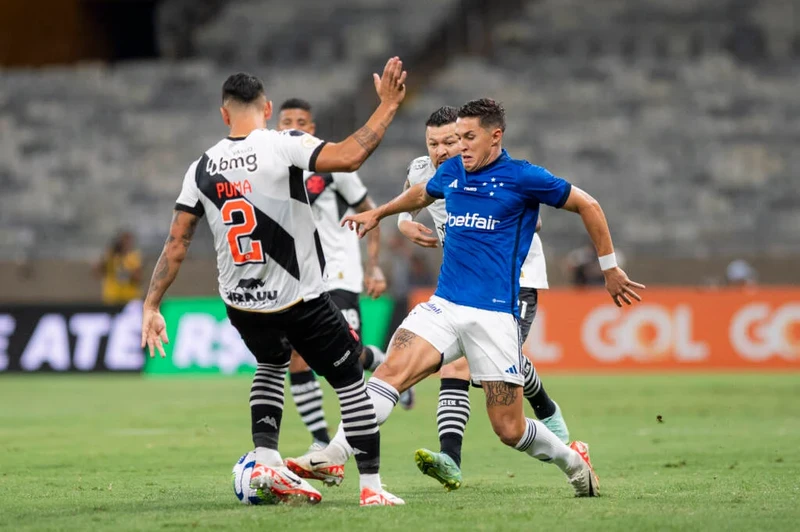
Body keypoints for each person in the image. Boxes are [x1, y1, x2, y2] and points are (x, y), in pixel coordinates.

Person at [288, 98, 646, 498]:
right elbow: (421, 193)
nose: (460, 147)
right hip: (444, 305)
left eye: (468, 138)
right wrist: (383, 215)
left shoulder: (524, 177)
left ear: (495, 136)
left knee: (509, 429)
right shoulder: (454, 171)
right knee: (389, 374)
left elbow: (588, 204)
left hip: (494, 316)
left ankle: (574, 463)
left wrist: (609, 268)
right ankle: (335, 453)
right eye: (457, 138)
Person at [140, 57, 408, 507]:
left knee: (271, 363)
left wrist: (151, 306)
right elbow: (349, 155)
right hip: (299, 296)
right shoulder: (285, 144)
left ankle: (266, 460)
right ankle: (372, 490)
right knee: (348, 382)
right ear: (266, 108)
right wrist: (388, 106)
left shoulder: (201, 168)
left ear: (224, 115)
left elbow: (175, 245)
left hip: (242, 302)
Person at [395, 106, 569, 491]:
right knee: (458, 366)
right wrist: (407, 226)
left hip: (514, 277)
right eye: (433, 143)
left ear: (466, 139)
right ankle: (451, 461)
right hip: (465, 283)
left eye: (449, 142)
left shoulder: (497, 173)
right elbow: (407, 206)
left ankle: (545, 411)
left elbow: (532, 217)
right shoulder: (424, 170)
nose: (441, 150)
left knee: (481, 368)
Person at [274, 98, 411, 452]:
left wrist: (374, 265)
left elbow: (372, 214)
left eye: (300, 121)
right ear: (275, 127)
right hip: (300, 279)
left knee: (344, 358)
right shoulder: (271, 170)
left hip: (338, 272)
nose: (293, 126)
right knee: (298, 358)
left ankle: (384, 364)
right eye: (285, 120)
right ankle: (320, 441)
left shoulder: (333, 167)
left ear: (311, 129)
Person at [94, 231, 143, 304]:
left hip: (130, 298)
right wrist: (107, 255)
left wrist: (126, 272)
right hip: (111, 298)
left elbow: (138, 278)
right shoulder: (110, 256)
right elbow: (97, 271)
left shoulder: (134, 257)